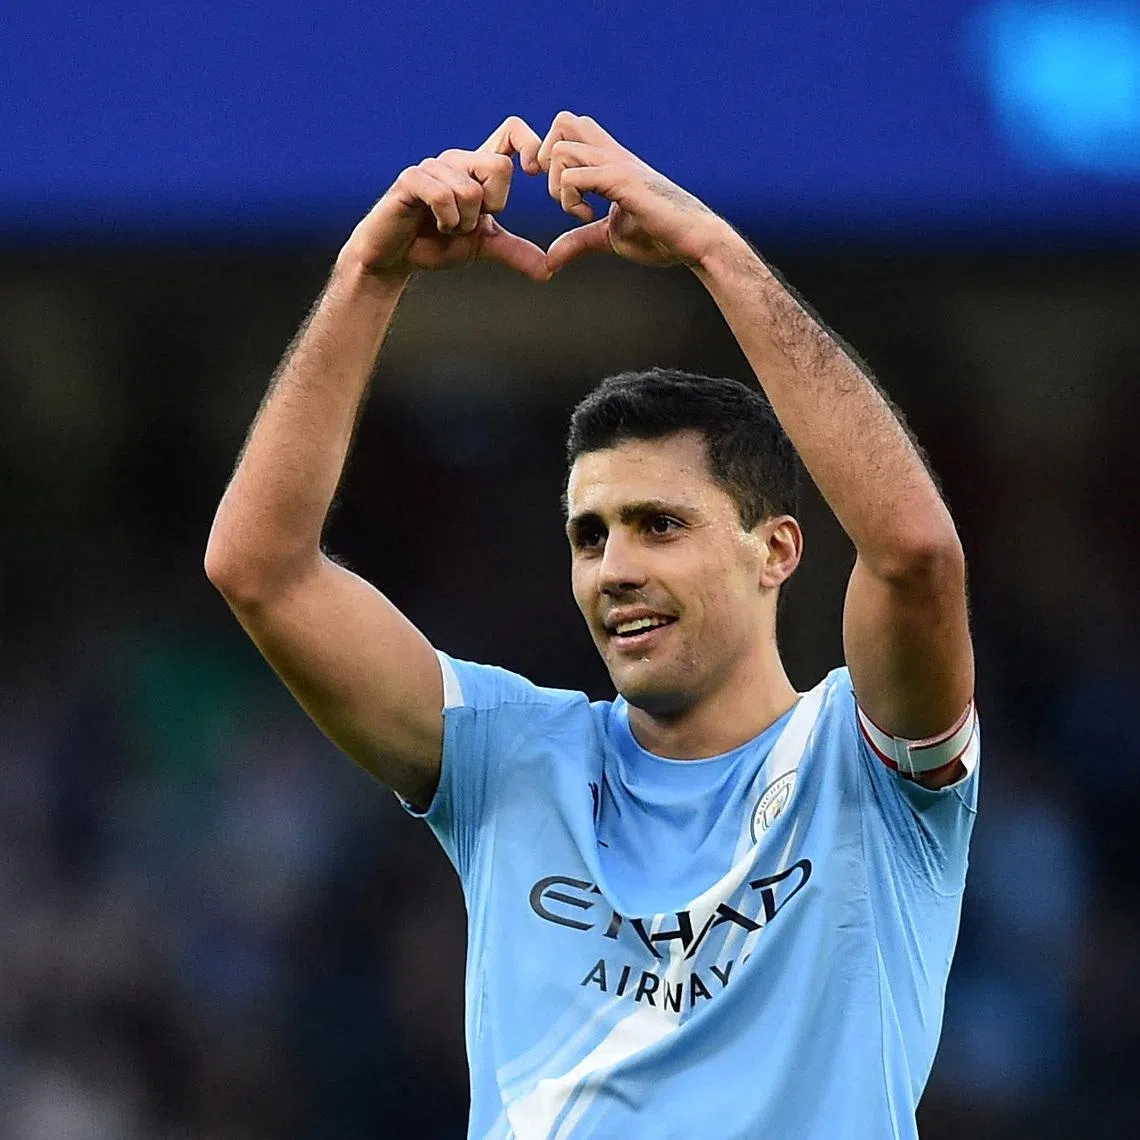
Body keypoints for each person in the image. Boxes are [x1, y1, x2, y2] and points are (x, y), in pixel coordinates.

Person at [205, 113, 979, 1139]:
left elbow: (917, 559)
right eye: (590, 535)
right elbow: (258, 571)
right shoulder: (512, 758)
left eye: (660, 526)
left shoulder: (865, 766)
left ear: (777, 551)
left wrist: (711, 247)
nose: (616, 568)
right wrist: (368, 273)